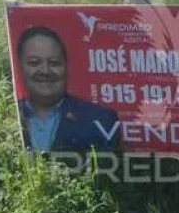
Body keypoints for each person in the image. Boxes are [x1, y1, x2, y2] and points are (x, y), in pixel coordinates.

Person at [15, 25, 120, 154]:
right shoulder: (6, 117)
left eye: (54, 63)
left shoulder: (100, 119)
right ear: (20, 67)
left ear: (66, 67)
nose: (45, 71)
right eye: (34, 62)